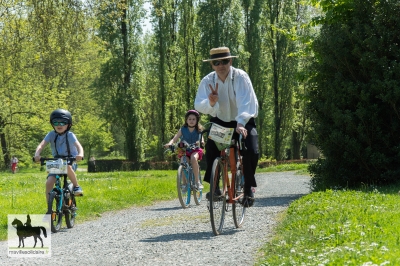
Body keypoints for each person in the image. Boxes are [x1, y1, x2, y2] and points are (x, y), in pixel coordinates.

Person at [195, 47, 259, 207]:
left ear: (230, 61)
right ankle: (215, 187)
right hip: (221, 121)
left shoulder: (240, 77)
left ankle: (248, 188)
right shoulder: (208, 81)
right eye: (216, 62)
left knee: (251, 149)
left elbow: (246, 101)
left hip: (242, 120)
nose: (220, 65)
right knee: (211, 148)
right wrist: (210, 103)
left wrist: (241, 123)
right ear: (212, 65)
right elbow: (198, 104)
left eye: (224, 61)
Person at [34, 109, 84, 203]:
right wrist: (37, 154)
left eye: (63, 122)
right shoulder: (51, 134)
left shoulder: (70, 135)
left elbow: (79, 146)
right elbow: (41, 145)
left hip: (70, 160)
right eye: (55, 122)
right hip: (57, 161)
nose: (59, 125)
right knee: (49, 182)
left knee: (66, 166)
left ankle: (76, 186)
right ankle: (49, 210)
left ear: (68, 124)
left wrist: (80, 154)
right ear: (52, 124)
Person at [164, 110, 205, 190]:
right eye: (189, 119)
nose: (191, 121)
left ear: (197, 120)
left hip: (195, 149)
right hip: (184, 149)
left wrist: (201, 142)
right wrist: (170, 143)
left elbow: (202, 139)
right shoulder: (183, 129)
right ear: (186, 120)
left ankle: (197, 182)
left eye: (193, 119)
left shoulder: (199, 130)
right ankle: (184, 183)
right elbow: (175, 138)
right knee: (183, 162)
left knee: (193, 159)